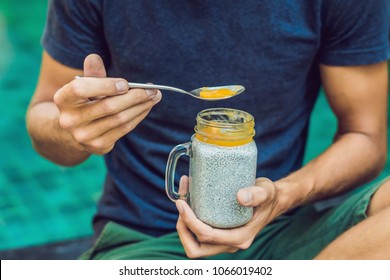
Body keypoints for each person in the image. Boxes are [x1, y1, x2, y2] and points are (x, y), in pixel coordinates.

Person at [26, 0, 390, 259]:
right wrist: (70, 129)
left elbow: (366, 137)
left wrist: (282, 197)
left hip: (282, 227)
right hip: (148, 243)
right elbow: (44, 115)